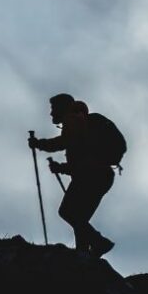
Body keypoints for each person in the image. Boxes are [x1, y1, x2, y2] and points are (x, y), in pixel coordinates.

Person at [29, 93, 116, 257]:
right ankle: (83, 252)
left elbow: (64, 143)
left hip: (91, 175)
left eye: (53, 109)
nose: (51, 113)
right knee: (79, 216)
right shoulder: (82, 122)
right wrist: (61, 168)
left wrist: (40, 144)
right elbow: (81, 159)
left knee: (68, 212)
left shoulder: (72, 119)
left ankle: (99, 243)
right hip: (101, 175)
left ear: (62, 107)